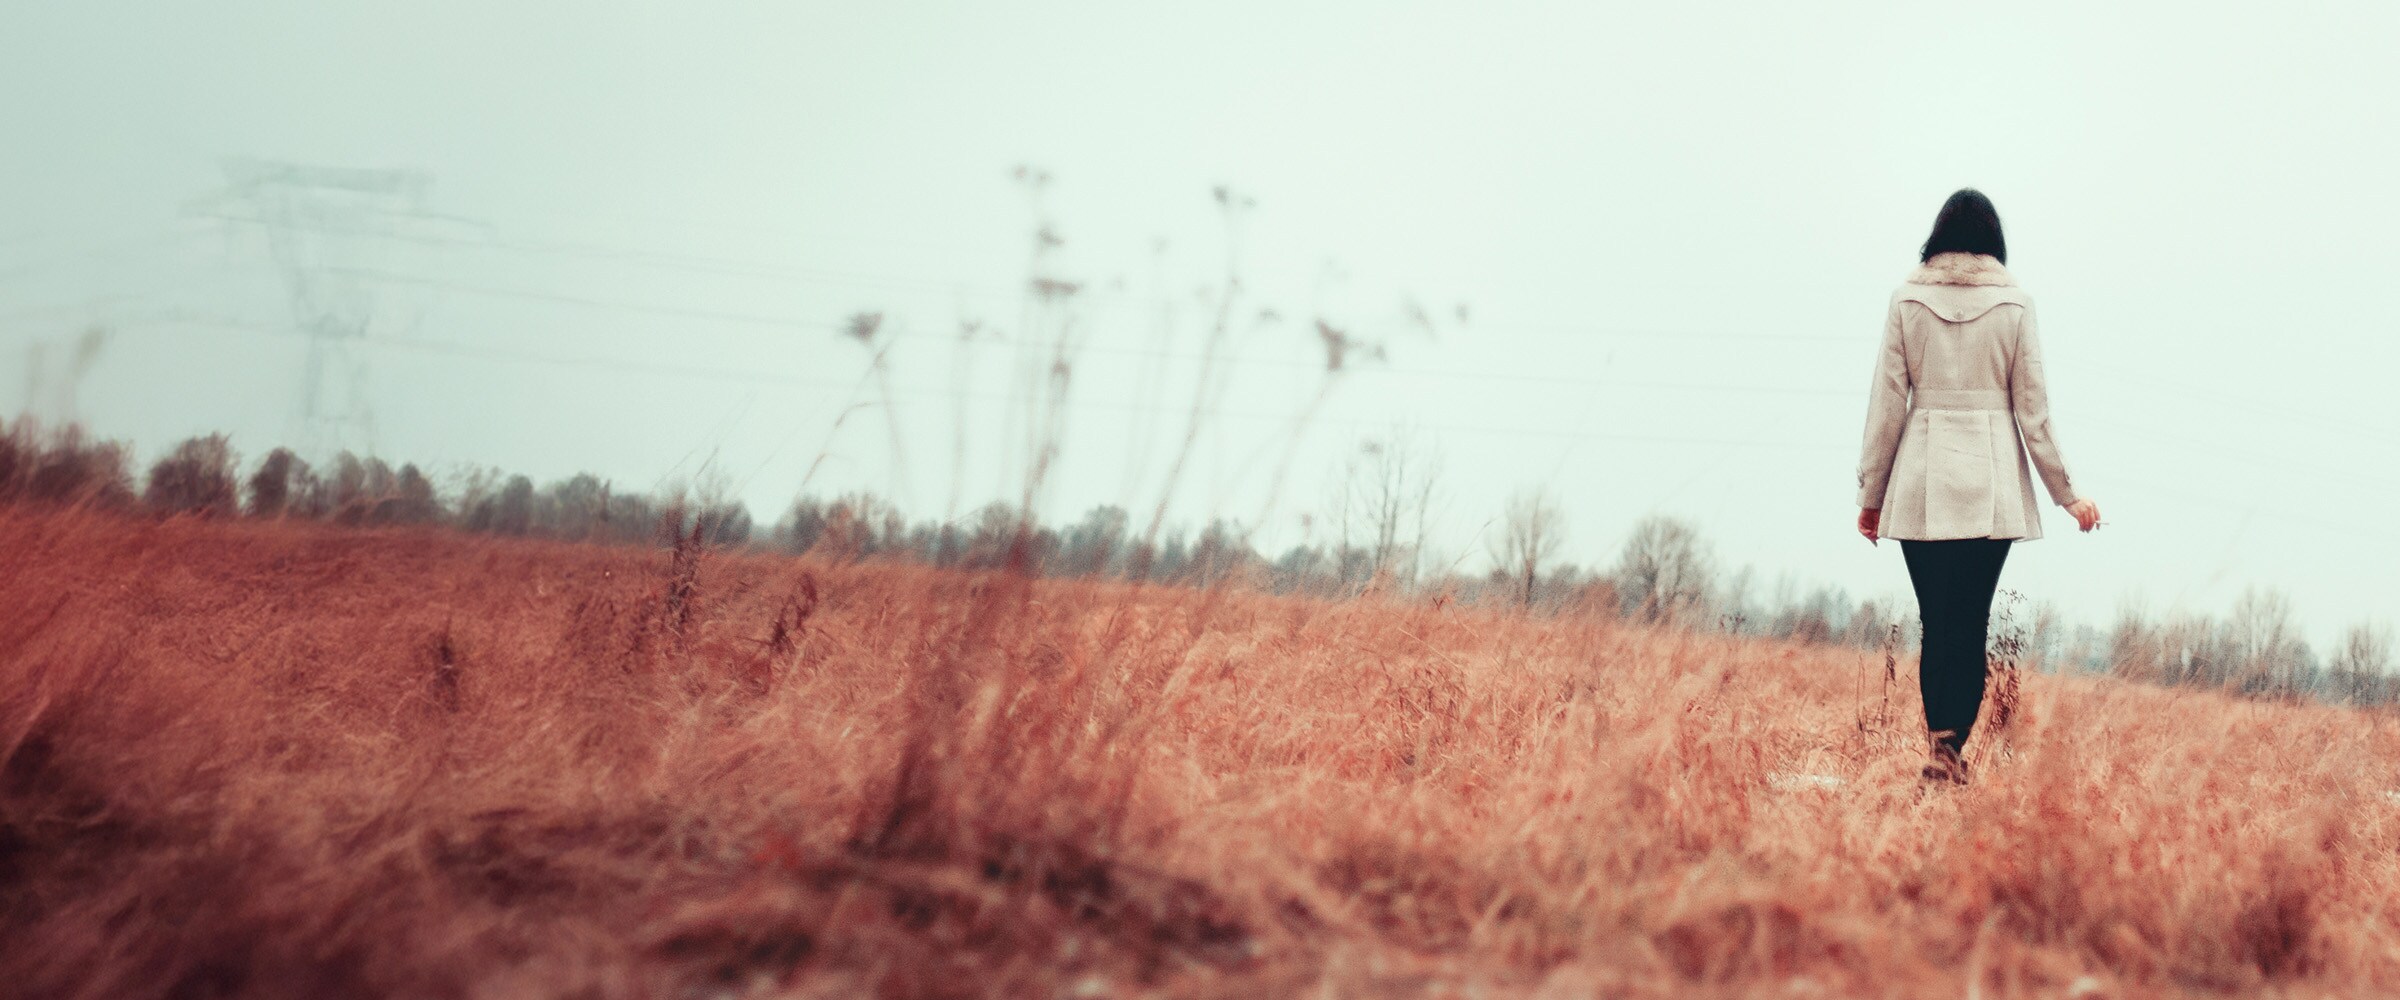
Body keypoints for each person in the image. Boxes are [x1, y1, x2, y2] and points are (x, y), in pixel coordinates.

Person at [1853, 188, 2102, 786]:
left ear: (1935, 237)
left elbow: (1887, 405)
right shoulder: (2015, 306)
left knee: (1937, 623)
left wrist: (1871, 495)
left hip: (1920, 482)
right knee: (1971, 621)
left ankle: (1942, 753)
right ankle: (1951, 753)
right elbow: (2033, 412)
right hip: (1990, 487)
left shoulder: (1906, 301)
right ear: (1995, 242)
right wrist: (2069, 495)